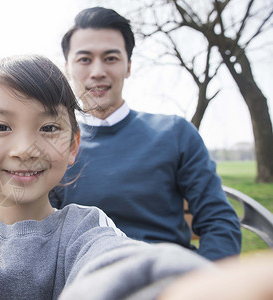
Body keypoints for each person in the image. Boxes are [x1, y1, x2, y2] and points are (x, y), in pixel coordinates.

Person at [0, 54, 210, 300]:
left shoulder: (88, 229)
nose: (24, 149)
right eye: (1, 127)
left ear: (74, 144)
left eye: (49, 128)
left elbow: (120, 264)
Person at [50, 6, 241, 261]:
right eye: (84, 59)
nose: (97, 71)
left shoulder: (176, 133)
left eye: (111, 58)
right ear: (67, 68)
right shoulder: (53, 145)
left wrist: (203, 285)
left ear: (128, 66)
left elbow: (219, 220)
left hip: (171, 280)